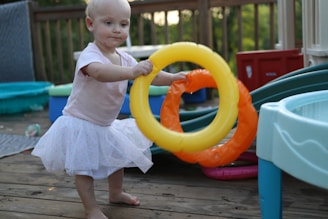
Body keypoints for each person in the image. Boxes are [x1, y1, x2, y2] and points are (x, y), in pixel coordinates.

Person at [32, 0, 187, 218]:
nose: (117, 29)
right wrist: (131, 72)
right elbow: (100, 72)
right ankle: (91, 208)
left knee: (118, 158)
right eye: (108, 22)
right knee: (84, 169)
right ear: (90, 24)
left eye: (123, 24)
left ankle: (116, 193)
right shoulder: (90, 55)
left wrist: (172, 78)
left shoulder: (125, 58)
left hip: (106, 124)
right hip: (81, 122)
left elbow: (150, 74)